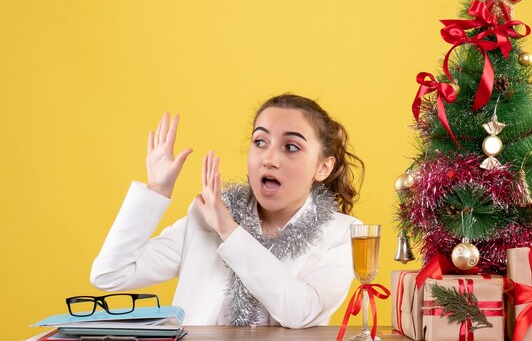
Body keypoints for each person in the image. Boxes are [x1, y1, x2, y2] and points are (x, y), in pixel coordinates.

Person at [90, 94, 365, 328]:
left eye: (291, 147)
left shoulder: (341, 233)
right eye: (260, 142)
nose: (269, 159)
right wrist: (157, 190)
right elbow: (111, 274)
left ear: (323, 167)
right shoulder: (205, 216)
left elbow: (301, 313)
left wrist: (229, 230)